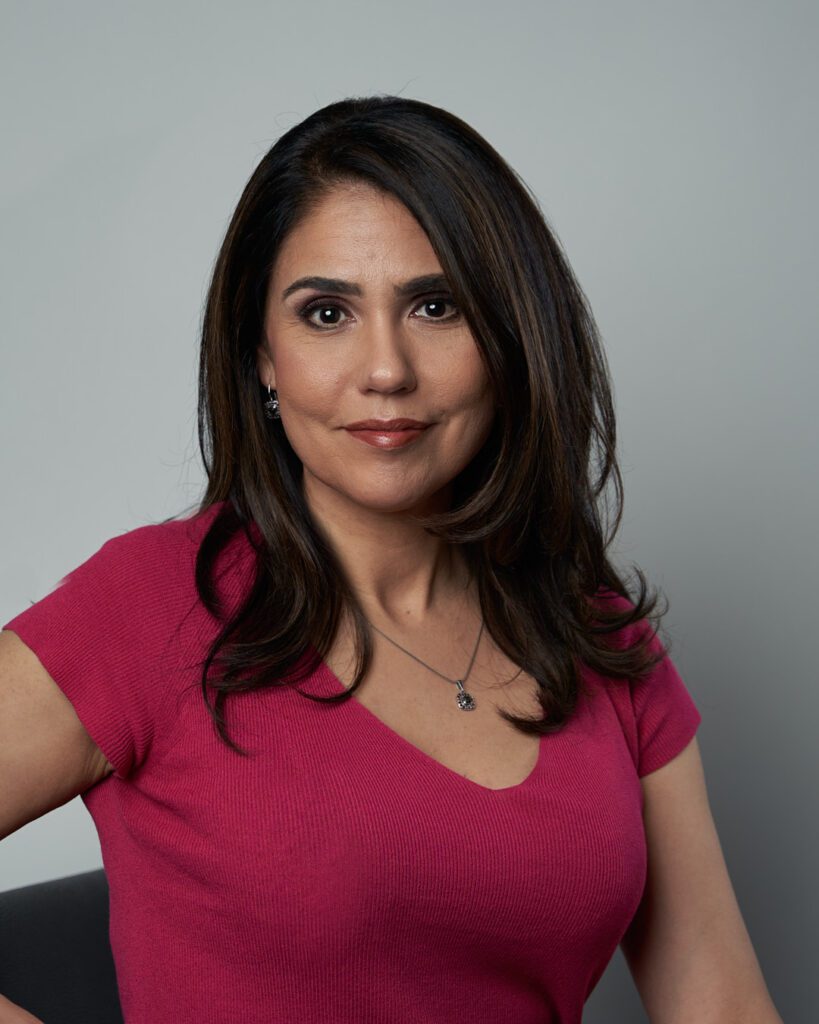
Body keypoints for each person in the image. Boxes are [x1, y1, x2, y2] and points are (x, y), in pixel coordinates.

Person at [0, 95, 782, 1024]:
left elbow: (719, 1000)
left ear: (510, 336)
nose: (385, 369)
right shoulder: (148, 608)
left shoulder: (598, 636)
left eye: (436, 305)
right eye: (326, 312)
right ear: (263, 356)